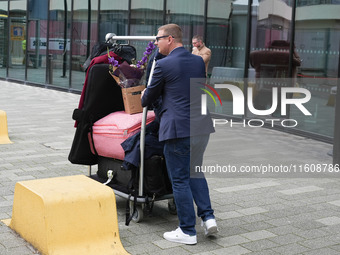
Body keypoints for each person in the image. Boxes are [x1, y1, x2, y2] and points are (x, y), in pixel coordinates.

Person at [141, 24, 218, 245]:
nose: (156, 43)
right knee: (196, 172)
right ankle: (208, 217)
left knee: (180, 180)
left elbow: (147, 99)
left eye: (158, 39)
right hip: (202, 126)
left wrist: (146, 93)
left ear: (170, 39)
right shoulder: (197, 60)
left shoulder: (163, 65)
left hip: (178, 129)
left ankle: (187, 231)